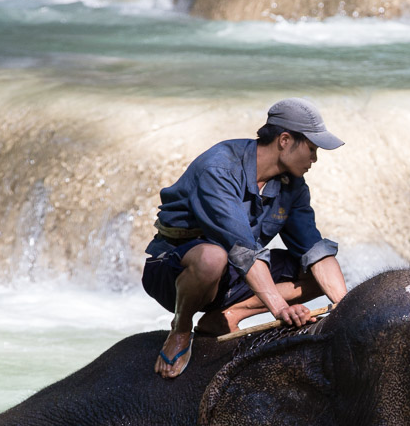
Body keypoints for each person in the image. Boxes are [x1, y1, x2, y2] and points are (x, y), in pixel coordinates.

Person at [141, 98, 349, 378]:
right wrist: (281, 309)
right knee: (213, 257)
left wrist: (347, 307)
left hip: (234, 274)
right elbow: (243, 250)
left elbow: (314, 250)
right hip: (177, 272)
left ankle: (228, 316)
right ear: (285, 140)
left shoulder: (293, 186)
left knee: (316, 273)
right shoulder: (220, 168)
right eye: (311, 149)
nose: (315, 158)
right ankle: (181, 328)